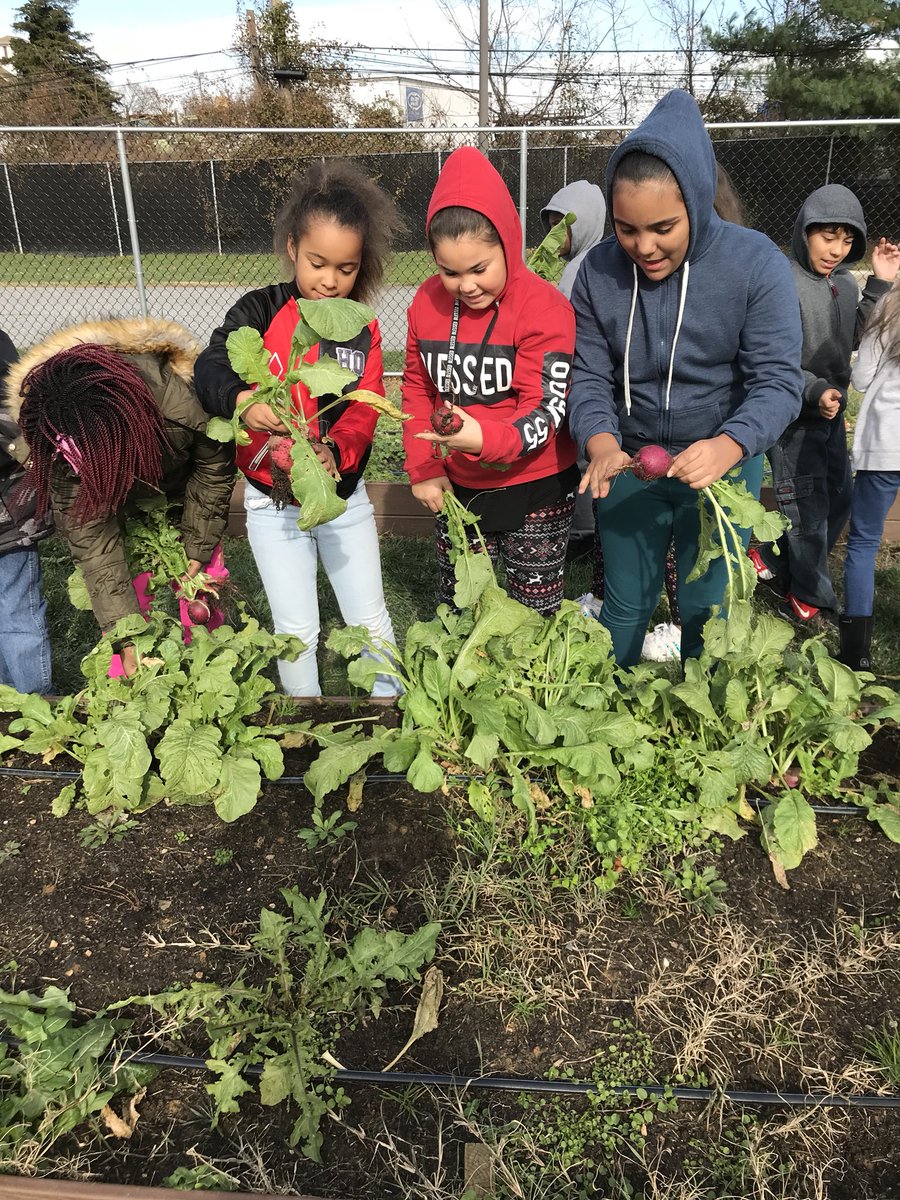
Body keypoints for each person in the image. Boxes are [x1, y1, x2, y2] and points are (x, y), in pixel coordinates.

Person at [567, 89, 803, 667]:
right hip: (629, 463)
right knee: (625, 603)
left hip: (720, 470)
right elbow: (587, 372)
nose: (643, 247)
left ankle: (705, 736)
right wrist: (599, 440)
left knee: (707, 607)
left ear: (697, 202)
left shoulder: (755, 263)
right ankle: (606, 729)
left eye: (663, 227)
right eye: (627, 229)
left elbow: (778, 381)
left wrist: (728, 445)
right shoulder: (598, 270)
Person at [194, 161, 403, 697]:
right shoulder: (258, 310)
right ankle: (306, 726)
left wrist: (335, 449)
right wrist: (242, 401)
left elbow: (364, 408)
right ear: (292, 248)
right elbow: (211, 365)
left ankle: (389, 715)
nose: (330, 280)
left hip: (338, 493)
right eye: (317, 263)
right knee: (296, 631)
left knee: (369, 618)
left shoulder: (362, 327)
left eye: (347, 268)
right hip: (271, 496)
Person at [403, 145, 578, 615]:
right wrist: (425, 467)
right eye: (449, 272)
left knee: (532, 610)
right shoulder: (425, 302)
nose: (466, 286)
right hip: (457, 482)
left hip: (535, 481)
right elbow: (417, 388)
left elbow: (546, 409)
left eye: (480, 268)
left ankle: (529, 687)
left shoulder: (544, 306)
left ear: (508, 241)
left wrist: (482, 437)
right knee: (463, 602)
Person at [7, 318, 236, 678]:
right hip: (118, 504)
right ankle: (128, 686)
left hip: (186, 492)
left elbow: (214, 467)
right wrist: (126, 639)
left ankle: (211, 672)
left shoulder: (179, 401)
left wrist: (198, 544)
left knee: (200, 593)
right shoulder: (56, 436)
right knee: (128, 610)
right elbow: (94, 542)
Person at [748, 184, 900, 624]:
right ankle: (810, 598)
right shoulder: (784, 282)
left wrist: (881, 282)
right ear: (804, 231)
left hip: (830, 415)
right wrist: (813, 391)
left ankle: (773, 562)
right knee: (808, 511)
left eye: (847, 239)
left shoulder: (845, 285)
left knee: (841, 499)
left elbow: (856, 335)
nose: (837, 249)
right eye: (827, 237)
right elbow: (772, 359)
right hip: (793, 418)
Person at [838, 282, 900, 671]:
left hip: (885, 441)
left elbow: (861, 379)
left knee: (863, 543)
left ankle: (855, 655)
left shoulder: (890, 306)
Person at [0, 329, 53, 693]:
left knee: (18, 609)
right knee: (17, 610)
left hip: (9, 513)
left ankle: (37, 710)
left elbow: (14, 419)